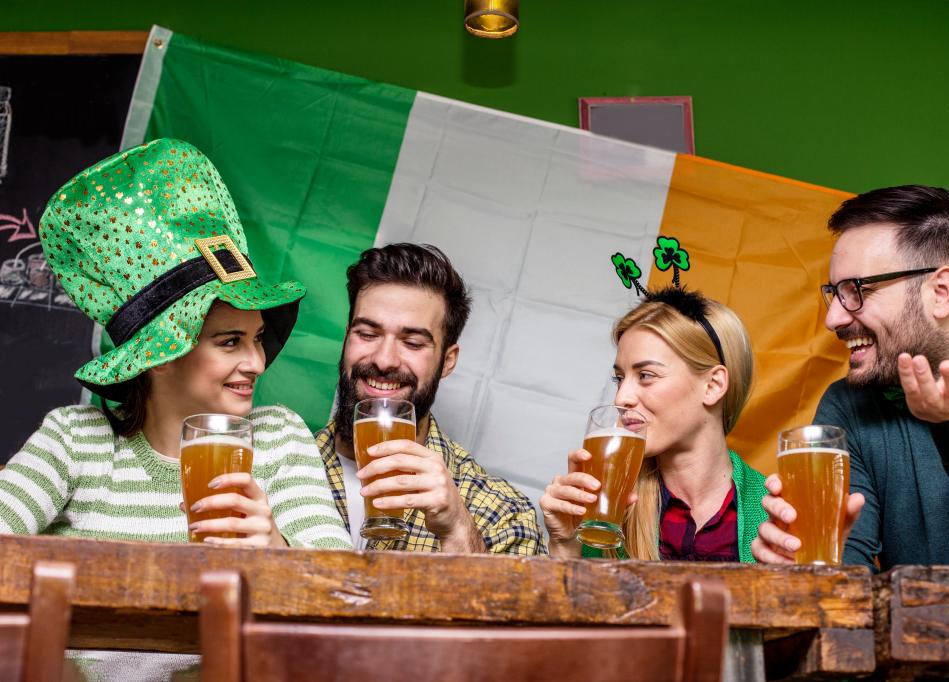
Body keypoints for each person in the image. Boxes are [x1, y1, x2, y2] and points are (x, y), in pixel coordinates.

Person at [0, 138, 352, 551]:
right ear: (159, 356)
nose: (257, 362)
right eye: (229, 341)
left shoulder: (278, 438)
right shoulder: (76, 441)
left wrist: (278, 548)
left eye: (257, 338)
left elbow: (340, 586)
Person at [752, 185, 949, 569]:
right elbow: (847, 582)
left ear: (941, 292)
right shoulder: (847, 404)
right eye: (835, 293)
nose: (833, 319)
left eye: (857, 290)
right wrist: (806, 565)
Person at [315, 243, 545, 554]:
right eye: (367, 334)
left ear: (447, 360)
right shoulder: (273, 465)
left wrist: (458, 530)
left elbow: (512, 605)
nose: (384, 360)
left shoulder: (502, 514)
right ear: (346, 339)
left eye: (412, 342)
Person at [540, 287, 768, 562]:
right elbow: (577, 604)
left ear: (713, 385)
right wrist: (565, 546)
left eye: (646, 375)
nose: (622, 397)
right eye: (619, 378)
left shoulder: (777, 513)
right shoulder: (606, 510)